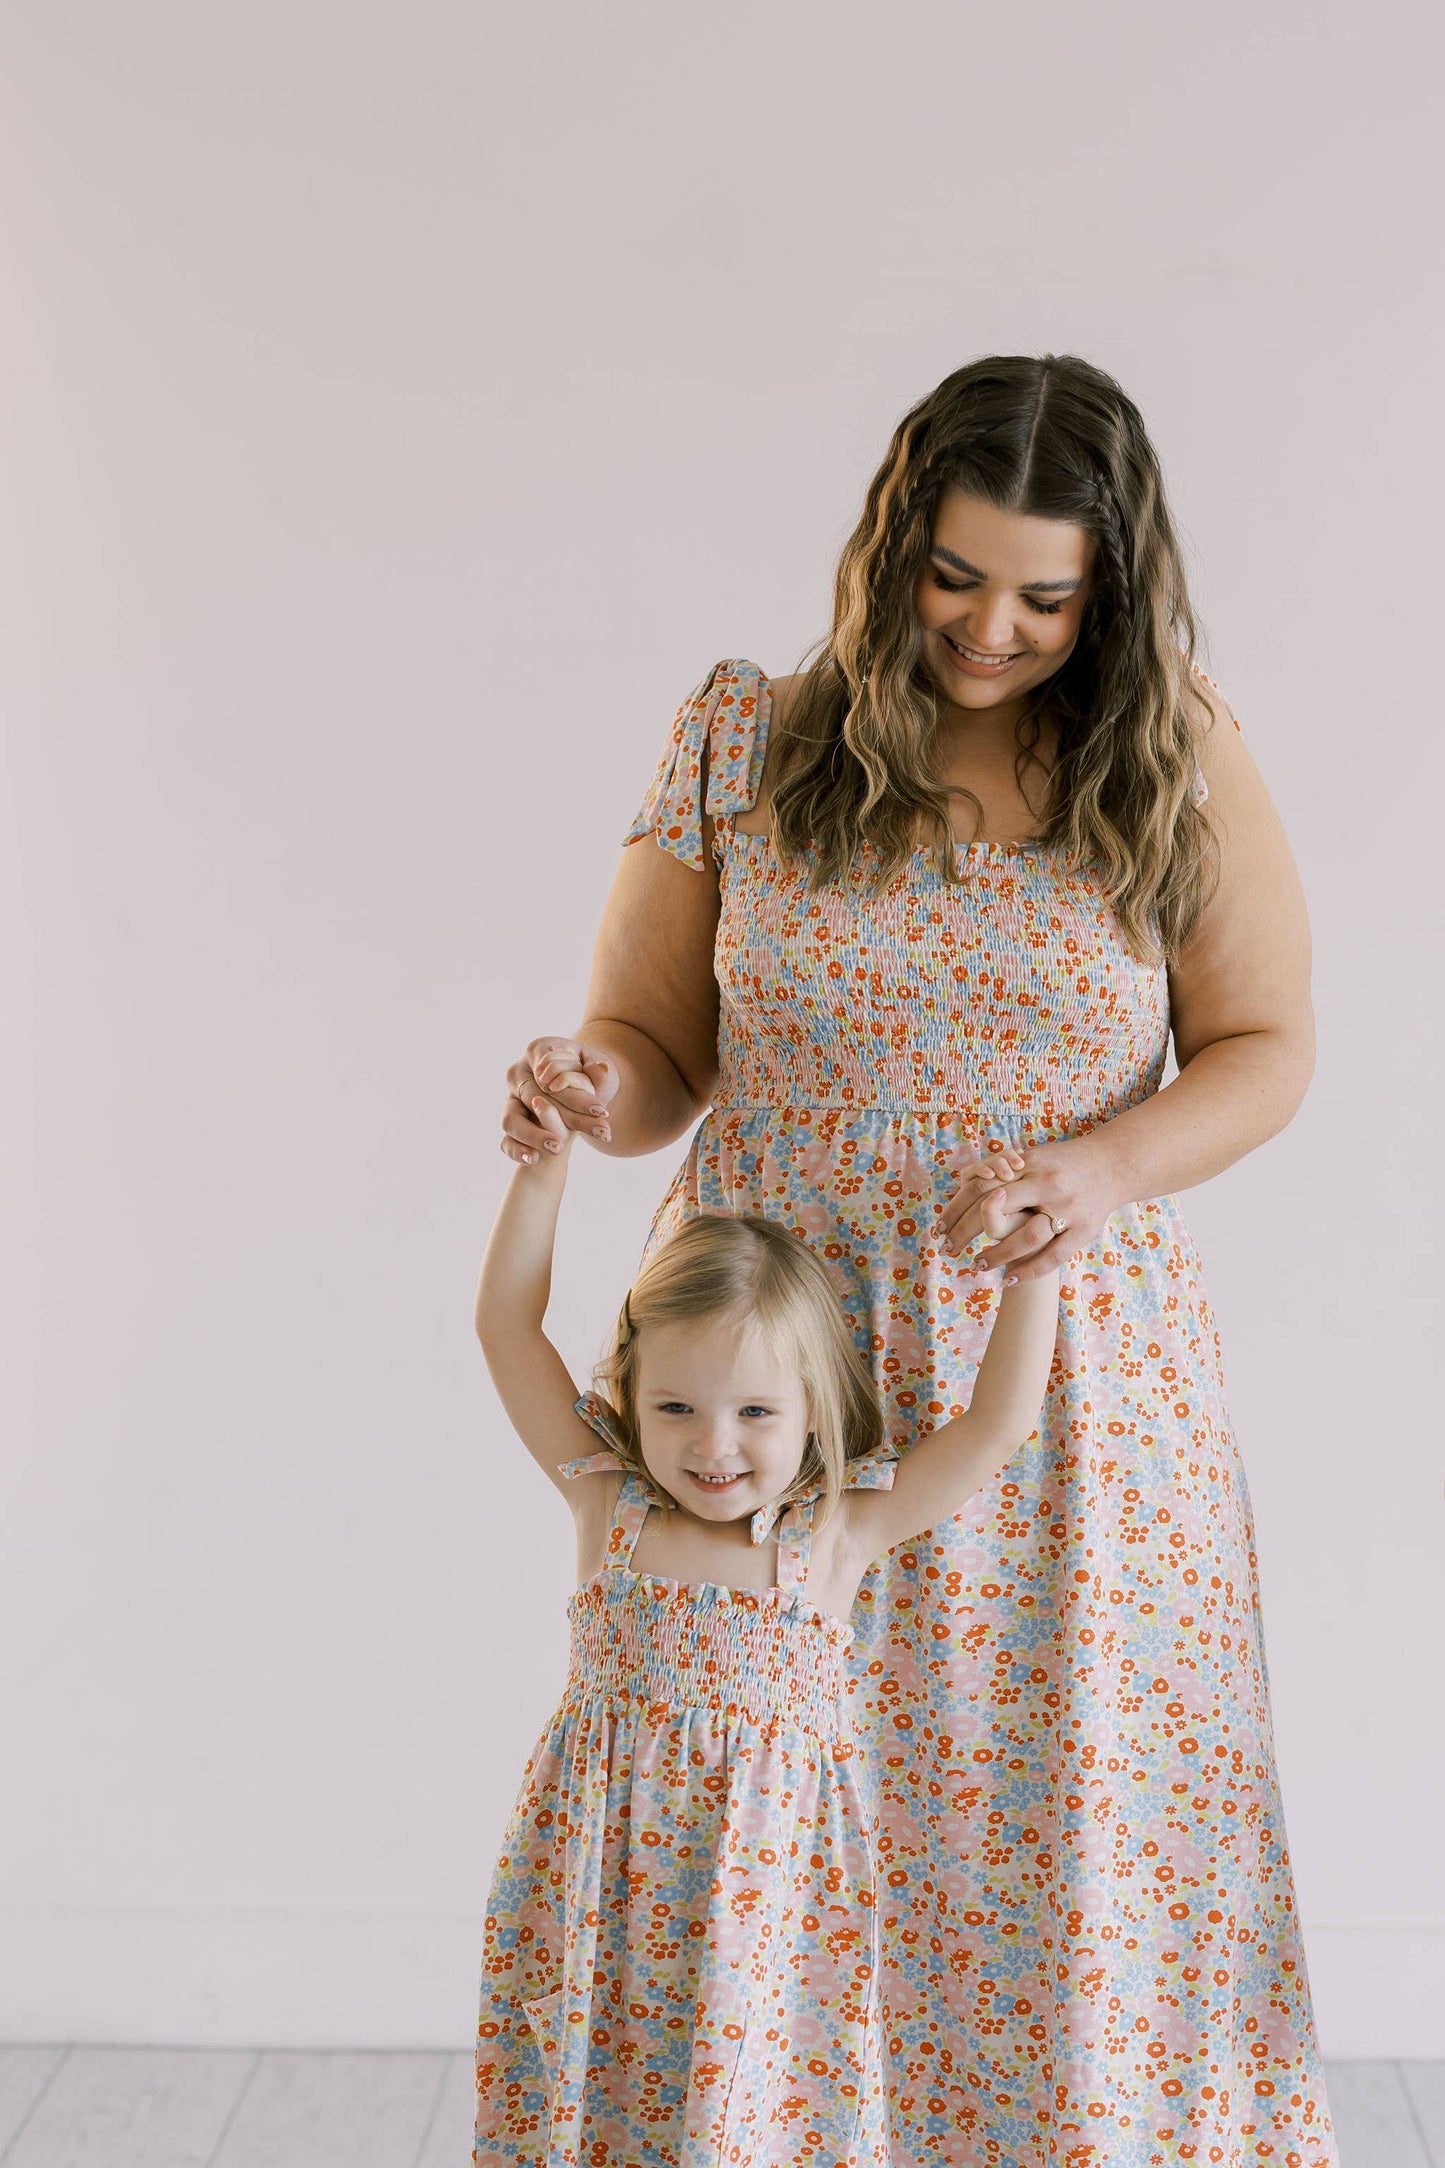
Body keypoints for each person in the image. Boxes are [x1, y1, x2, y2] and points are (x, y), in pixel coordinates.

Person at [496, 355, 1336, 2166]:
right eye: (958, 576)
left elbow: (1269, 1045)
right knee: (772, 1832)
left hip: (1066, 1394)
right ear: (894, 544)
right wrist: (590, 1082)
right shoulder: (748, 736)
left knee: (1058, 1841)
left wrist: (1095, 1165)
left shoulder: (1171, 744)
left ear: (1112, 583)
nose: (996, 628)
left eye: (1049, 594)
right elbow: (651, 1040)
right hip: (765, 1377)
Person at [471, 1132, 1057, 2166]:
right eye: (674, 1407)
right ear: (628, 1391)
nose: (712, 1444)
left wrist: (1034, 1266)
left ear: (813, 1410)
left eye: (754, 1411)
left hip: (766, 1903)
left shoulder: (832, 1533)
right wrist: (543, 1169)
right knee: (596, 2102)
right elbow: (506, 1324)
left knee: (750, 2119)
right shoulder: (605, 1498)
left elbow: (997, 1425)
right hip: (602, 1885)